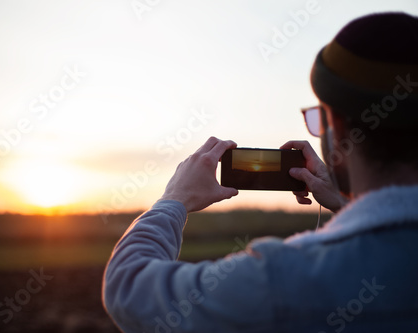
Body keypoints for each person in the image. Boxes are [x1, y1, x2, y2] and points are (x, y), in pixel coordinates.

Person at [102, 12, 418, 332]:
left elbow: (128, 289)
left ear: (334, 123)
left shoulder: (281, 279)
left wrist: (173, 200)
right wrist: (344, 202)